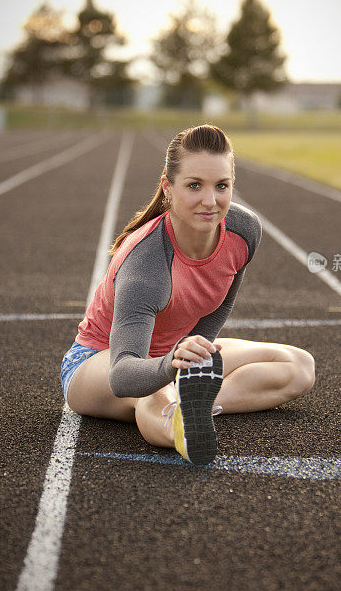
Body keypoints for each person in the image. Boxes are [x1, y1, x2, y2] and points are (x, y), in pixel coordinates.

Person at [60, 124, 315, 465]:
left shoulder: (243, 231)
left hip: (174, 354)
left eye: (221, 186)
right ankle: (180, 427)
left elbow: (222, 302)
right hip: (101, 362)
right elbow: (122, 375)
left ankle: (194, 405)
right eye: (194, 185)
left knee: (298, 366)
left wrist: (197, 359)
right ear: (168, 187)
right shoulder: (146, 264)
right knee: (152, 393)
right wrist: (173, 364)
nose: (210, 201)